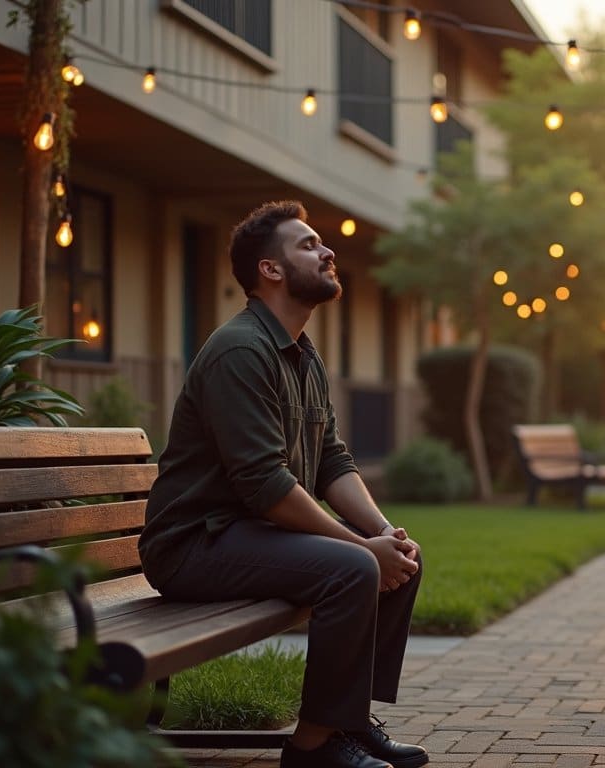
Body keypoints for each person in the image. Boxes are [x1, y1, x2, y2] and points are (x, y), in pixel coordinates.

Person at [139, 201, 428, 768]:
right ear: (270, 270)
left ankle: (343, 723)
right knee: (355, 568)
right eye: (310, 244)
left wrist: (380, 532)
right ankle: (312, 749)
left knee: (396, 556)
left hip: (246, 533)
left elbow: (330, 462)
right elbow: (264, 484)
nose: (328, 252)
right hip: (194, 544)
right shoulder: (240, 351)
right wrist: (360, 548)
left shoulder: (303, 355)